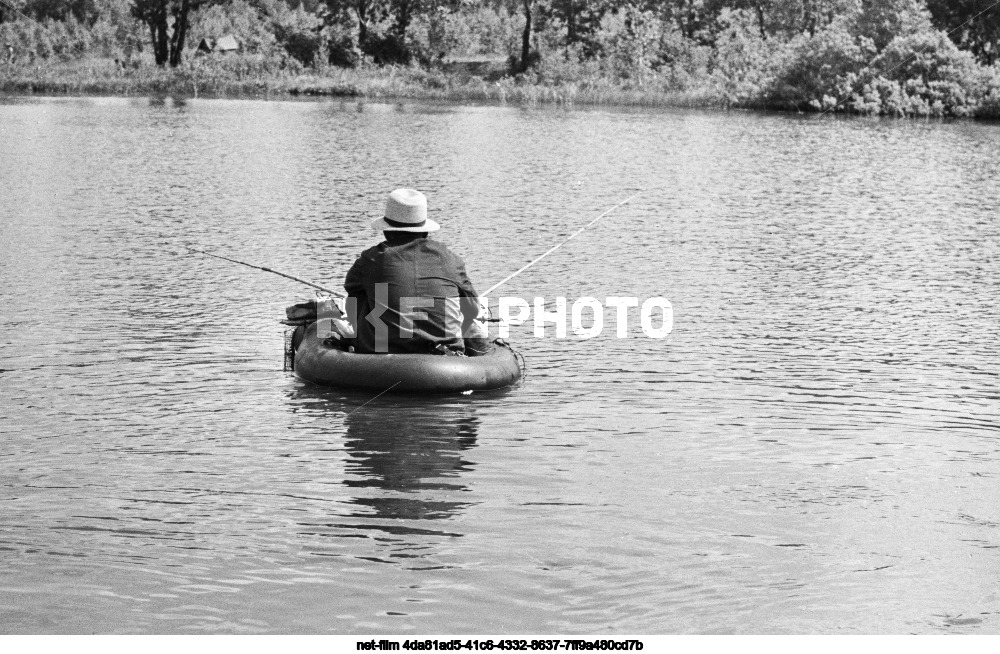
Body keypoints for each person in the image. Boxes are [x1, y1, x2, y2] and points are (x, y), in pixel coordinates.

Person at [343, 188, 487, 355]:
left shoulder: (371, 259)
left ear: (386, 231)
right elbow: (472, 310)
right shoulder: (451, 259)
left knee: (358, 296)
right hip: (446, 357)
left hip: (380, 357)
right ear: (425, 230)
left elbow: (352, 295)